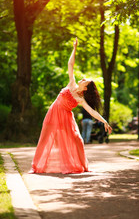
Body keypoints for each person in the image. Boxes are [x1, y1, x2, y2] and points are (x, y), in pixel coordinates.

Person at [29, 38, 112, 174]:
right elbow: (70, 64)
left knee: (77, 140)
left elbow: (92, 112)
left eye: (86, 81)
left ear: (85, 88)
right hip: (53, 112)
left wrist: (104, 121)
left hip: (66, 118)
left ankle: (83, 166)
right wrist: (74, 48)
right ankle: (37, 166)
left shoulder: (80, 99)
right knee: (46, 138)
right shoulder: (71, 83)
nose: (83, 79)